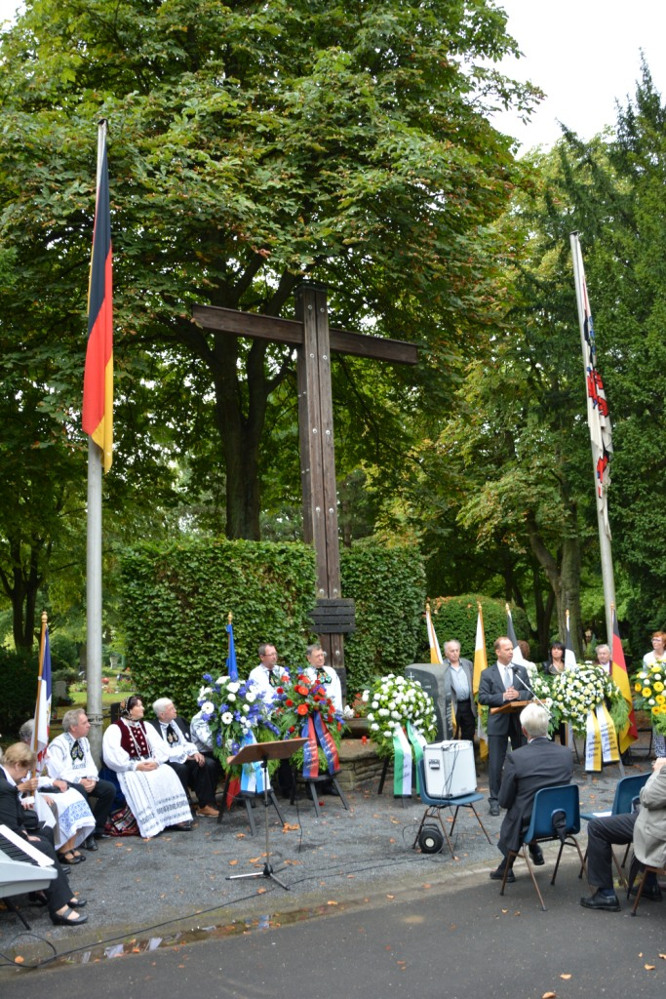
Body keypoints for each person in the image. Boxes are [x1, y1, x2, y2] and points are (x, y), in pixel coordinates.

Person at [0, 743, 88, 925]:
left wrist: (24, 831)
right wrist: (24, 837)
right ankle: (59, 908)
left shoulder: (4, 780)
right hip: (4, 843)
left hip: (5, 833)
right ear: (17, 765)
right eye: (26, 770)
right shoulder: (4, 787)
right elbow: (8, 827)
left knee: (46, 832)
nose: (25, 775)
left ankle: (44, 889)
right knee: (43, 846)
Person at [489, 703, 574, 882]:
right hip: (561, 819)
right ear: (547, 727)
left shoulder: (516, 758)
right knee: (528, 805)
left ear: (524, 731)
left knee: (518, 811)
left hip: (531, 822)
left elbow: (503, 801)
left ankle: (508, 866)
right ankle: (521, 856)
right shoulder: (566, 754)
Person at [101, 695, 194, 838]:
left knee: (167, 772)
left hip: (149, 763)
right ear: (129, 710)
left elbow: (160, 748)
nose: (143, 708)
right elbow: (112, 757)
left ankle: (174, 817)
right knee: (142, 779)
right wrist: (136, 766)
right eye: (139, 706)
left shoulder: (146, 726)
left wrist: (156, 762)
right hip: (129, 768)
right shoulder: (115, 729)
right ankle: (152, 820)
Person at [581, 756, 666, 911]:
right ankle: (648, 883)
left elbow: (647, 797)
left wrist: (657, 772)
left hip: (657, 828)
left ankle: (606, 894)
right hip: (658, 821)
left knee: (596, 827)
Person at [18, 718, 95, 863]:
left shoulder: (42, 750)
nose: (45, 741)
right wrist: (46, 787)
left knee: (75, 795)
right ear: (30, 739)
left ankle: (71, 845)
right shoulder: (21, 752)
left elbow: (57, 771)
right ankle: (62, 848)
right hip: (31, 792)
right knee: (61, 803)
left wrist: (49, 764)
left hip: (44, 788)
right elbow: (26, 780)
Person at [46, 708, 116, 851]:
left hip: (84, 779)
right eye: (84, 723)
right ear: (73, 727)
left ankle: (97, 828)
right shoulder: (58, 744)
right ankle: (87, 836)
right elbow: (58, 771)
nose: (89, 725)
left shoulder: (83, 741)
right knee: (80, 791)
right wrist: (80, 780)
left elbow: (89, 763)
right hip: (65, 782)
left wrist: (92, 779)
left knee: (109, 789)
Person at [478, 636, 533, 816]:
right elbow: (482, 697)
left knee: (522, 759)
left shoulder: (520, 670)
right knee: (496, 763)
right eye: (507, 649)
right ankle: (495, 800)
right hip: (498, 721)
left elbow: (529, 692)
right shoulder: (488, 673)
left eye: (511, 649)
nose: (511, 652)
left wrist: (518, 694)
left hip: (518, 721)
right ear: (498, 652)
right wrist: (503, 697)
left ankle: (522, 796)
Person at [149, 698, 220, 817]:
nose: (175, 710)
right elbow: (162, 751)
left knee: (207, 763)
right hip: (168, 760)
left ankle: (205, 805)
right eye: (171, 709)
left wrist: (195, 752)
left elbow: (187, 742)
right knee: (181, 769)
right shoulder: (153, 728)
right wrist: (184, 756)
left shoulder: (178, 721)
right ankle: (181, 809)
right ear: (162, 714)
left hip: (186, 756)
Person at [442, 640, 476, 742]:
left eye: (457, 650)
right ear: (446, 653)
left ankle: (469, 752)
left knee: (469, 733)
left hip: (468, 705)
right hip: (452, 706)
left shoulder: (468, 664)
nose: (455, 653)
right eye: (452, 651)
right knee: (453, 734)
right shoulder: (442, 666)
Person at [643, 632, 666, 758]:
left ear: (664, 643)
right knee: (657, 724)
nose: (654, 642)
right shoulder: (647, 657)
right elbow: (645, 676)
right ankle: (661, 755)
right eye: (653, 640)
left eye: (658, 640)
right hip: (654, 696)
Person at [303, 643, 343, 712]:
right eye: (317, 656)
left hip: (333, 711)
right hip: (315, 712)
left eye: (322, 655)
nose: (321, 658)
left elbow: (337, 692)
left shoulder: (331, 671)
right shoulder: (306, 673)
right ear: (309, 658)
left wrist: (335, 711)